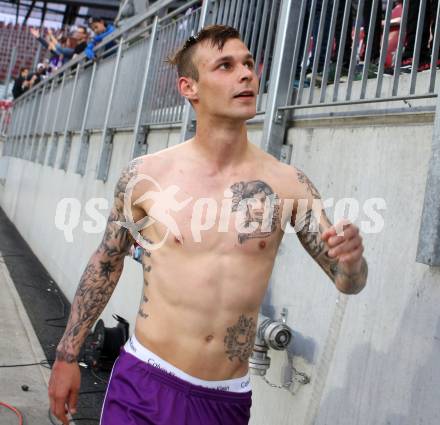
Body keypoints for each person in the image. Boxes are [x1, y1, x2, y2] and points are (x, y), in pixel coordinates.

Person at [48, 25, 368, 425]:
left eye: (249, 63)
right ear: (189, 87)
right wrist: (67, 355)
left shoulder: (290, 185)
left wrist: (353, 261)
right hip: (144, 381)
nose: (246, 74)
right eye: (226, 65)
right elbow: (107, 261)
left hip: (223, 401)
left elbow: (347, 282)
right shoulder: (146, 177)